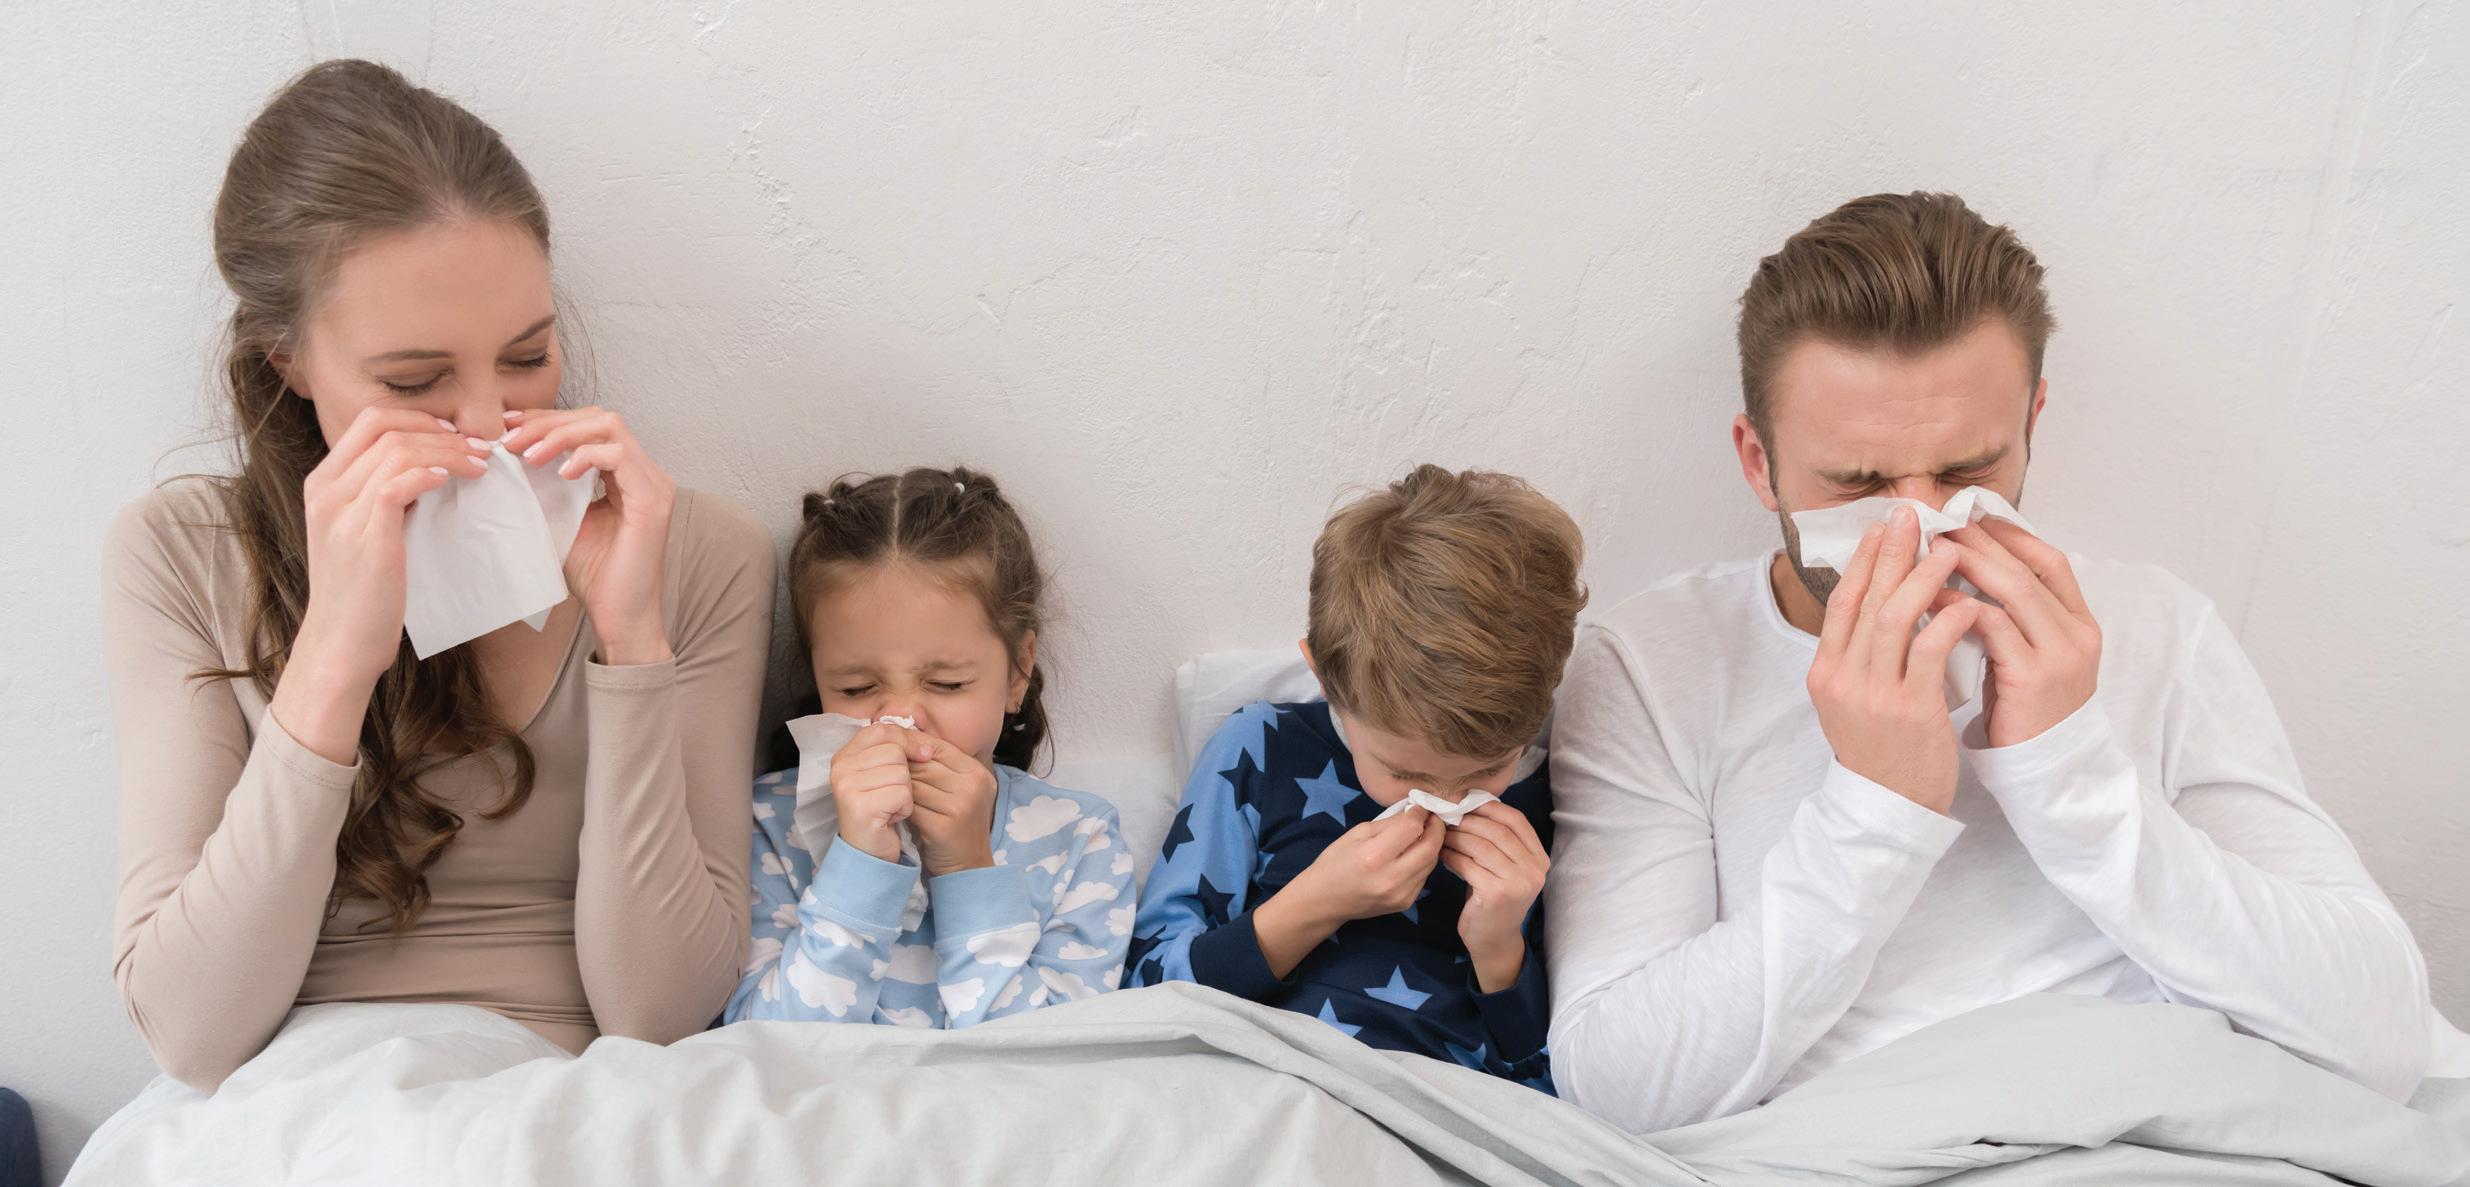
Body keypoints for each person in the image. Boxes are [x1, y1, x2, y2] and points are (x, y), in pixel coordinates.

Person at [1542, 191, 2438, 1133]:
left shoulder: (2155, 626)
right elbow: (1616, 1084)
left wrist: (2071, 775)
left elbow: (2379, 1035)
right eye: (1857, 483)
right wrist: (1875, 809)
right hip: (1839, 1149)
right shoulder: (1657, 663)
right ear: (1759, 462)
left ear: (2032, 424)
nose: (1920, 524)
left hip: (2152, 1138)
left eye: (1967, 471)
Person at [101, 59, 772, 1090]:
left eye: (527, 357)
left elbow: (660, 1012)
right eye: (414, 380)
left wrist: (633, 644)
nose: (486, 422)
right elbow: (190, 1035)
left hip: (577, 1101)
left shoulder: (691, 550)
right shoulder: (182, 553)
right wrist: (335, 655)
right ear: (288, 361)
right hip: (296, 1105)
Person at [1129, 465, 1584, 1091]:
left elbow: (1559, 1079)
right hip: (1265, 1087)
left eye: (1487, 769)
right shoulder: (1261, 748)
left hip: (1447, 1109)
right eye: (1403, 772)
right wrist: (1317, 903)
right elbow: (1146, 994)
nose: (1448, 800)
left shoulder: (1558, 798)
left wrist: (1500, 947)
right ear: (1323, 676)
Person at [726, 468, 1130, 1027]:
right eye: (857, 689)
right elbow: (760, 1047)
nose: (902, 719)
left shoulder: (1079, 840)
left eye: (946, 684)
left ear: (1018, 672)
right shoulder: (767, 825)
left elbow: (1058, 1056)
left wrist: (968, 870)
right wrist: (859, 864)